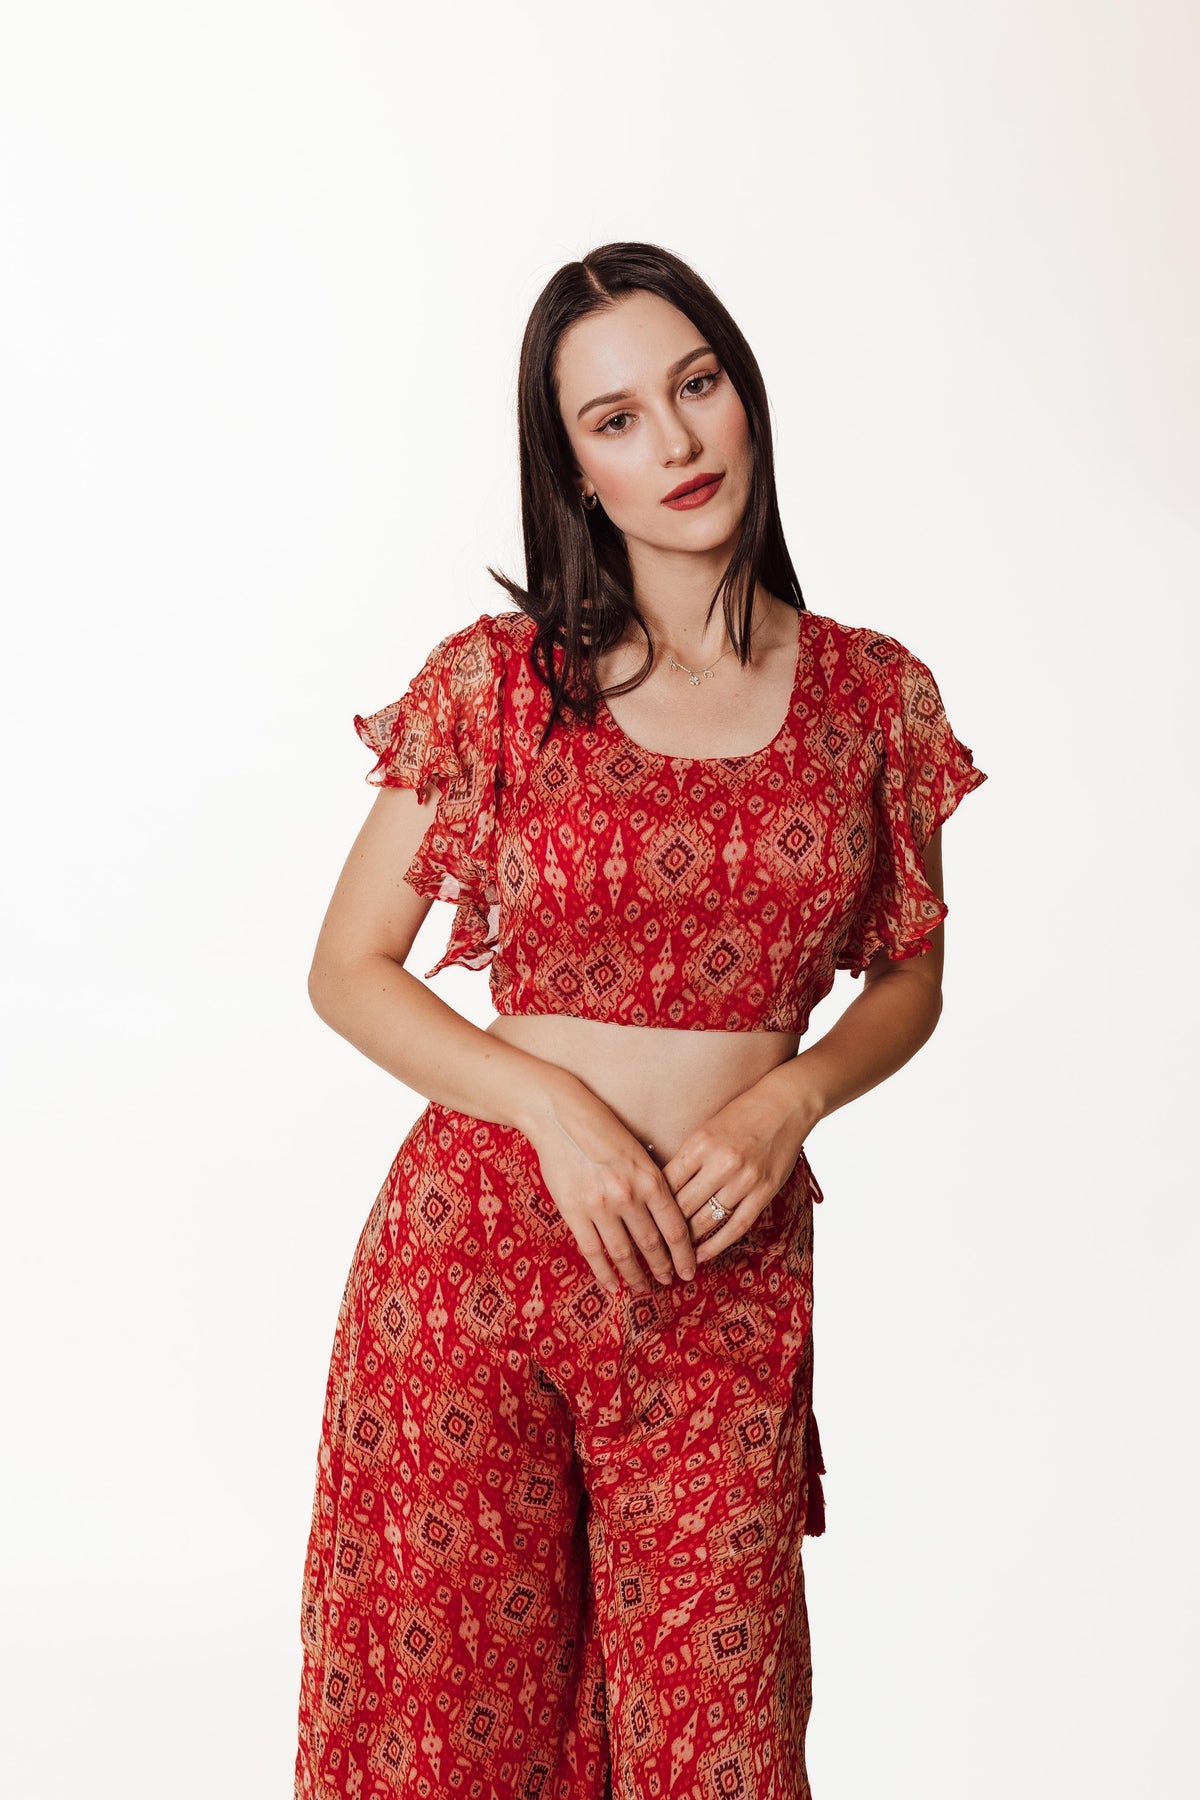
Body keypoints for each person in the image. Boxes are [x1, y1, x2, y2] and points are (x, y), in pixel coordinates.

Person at [293, 241, 988, 1800]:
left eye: (696, 385)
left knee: (718, 1751)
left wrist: (789, 1102)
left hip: (725, 1274)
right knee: (449, 1740)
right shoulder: (498, 685)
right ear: (575, 472)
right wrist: (550, 1108)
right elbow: (349, 968)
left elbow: (913, 976)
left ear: (745, 394)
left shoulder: (875, 698)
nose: (674, 441)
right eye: (615, 419)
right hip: (477, 1265)